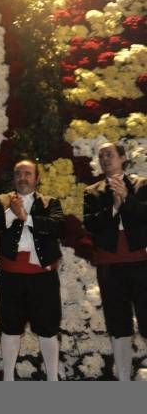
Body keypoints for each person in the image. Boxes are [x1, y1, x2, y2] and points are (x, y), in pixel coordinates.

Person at [0, 160, 65, 381]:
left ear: (37, 178)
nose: (23, 177)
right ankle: (8, 378)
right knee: (10, 326)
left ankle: (52, 379)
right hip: (11, 275)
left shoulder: (50, 202)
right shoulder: (1, 201)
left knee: (48, 327)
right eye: (18, 173)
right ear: (13, 178)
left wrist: (26, 218)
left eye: (28, 173)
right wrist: (12, 213)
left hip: (43, 276)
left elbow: (57, 226)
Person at [83, 142, 147, 381]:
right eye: (101, 156)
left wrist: (126, 201)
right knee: (118, 323)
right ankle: (123, 379)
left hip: (141, 263)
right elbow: (91, 225)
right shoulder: (93, 192)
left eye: (109, 154)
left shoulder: (142, 185)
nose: (105, 159)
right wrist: (114, 207)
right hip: (110, 266)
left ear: (122, 157)